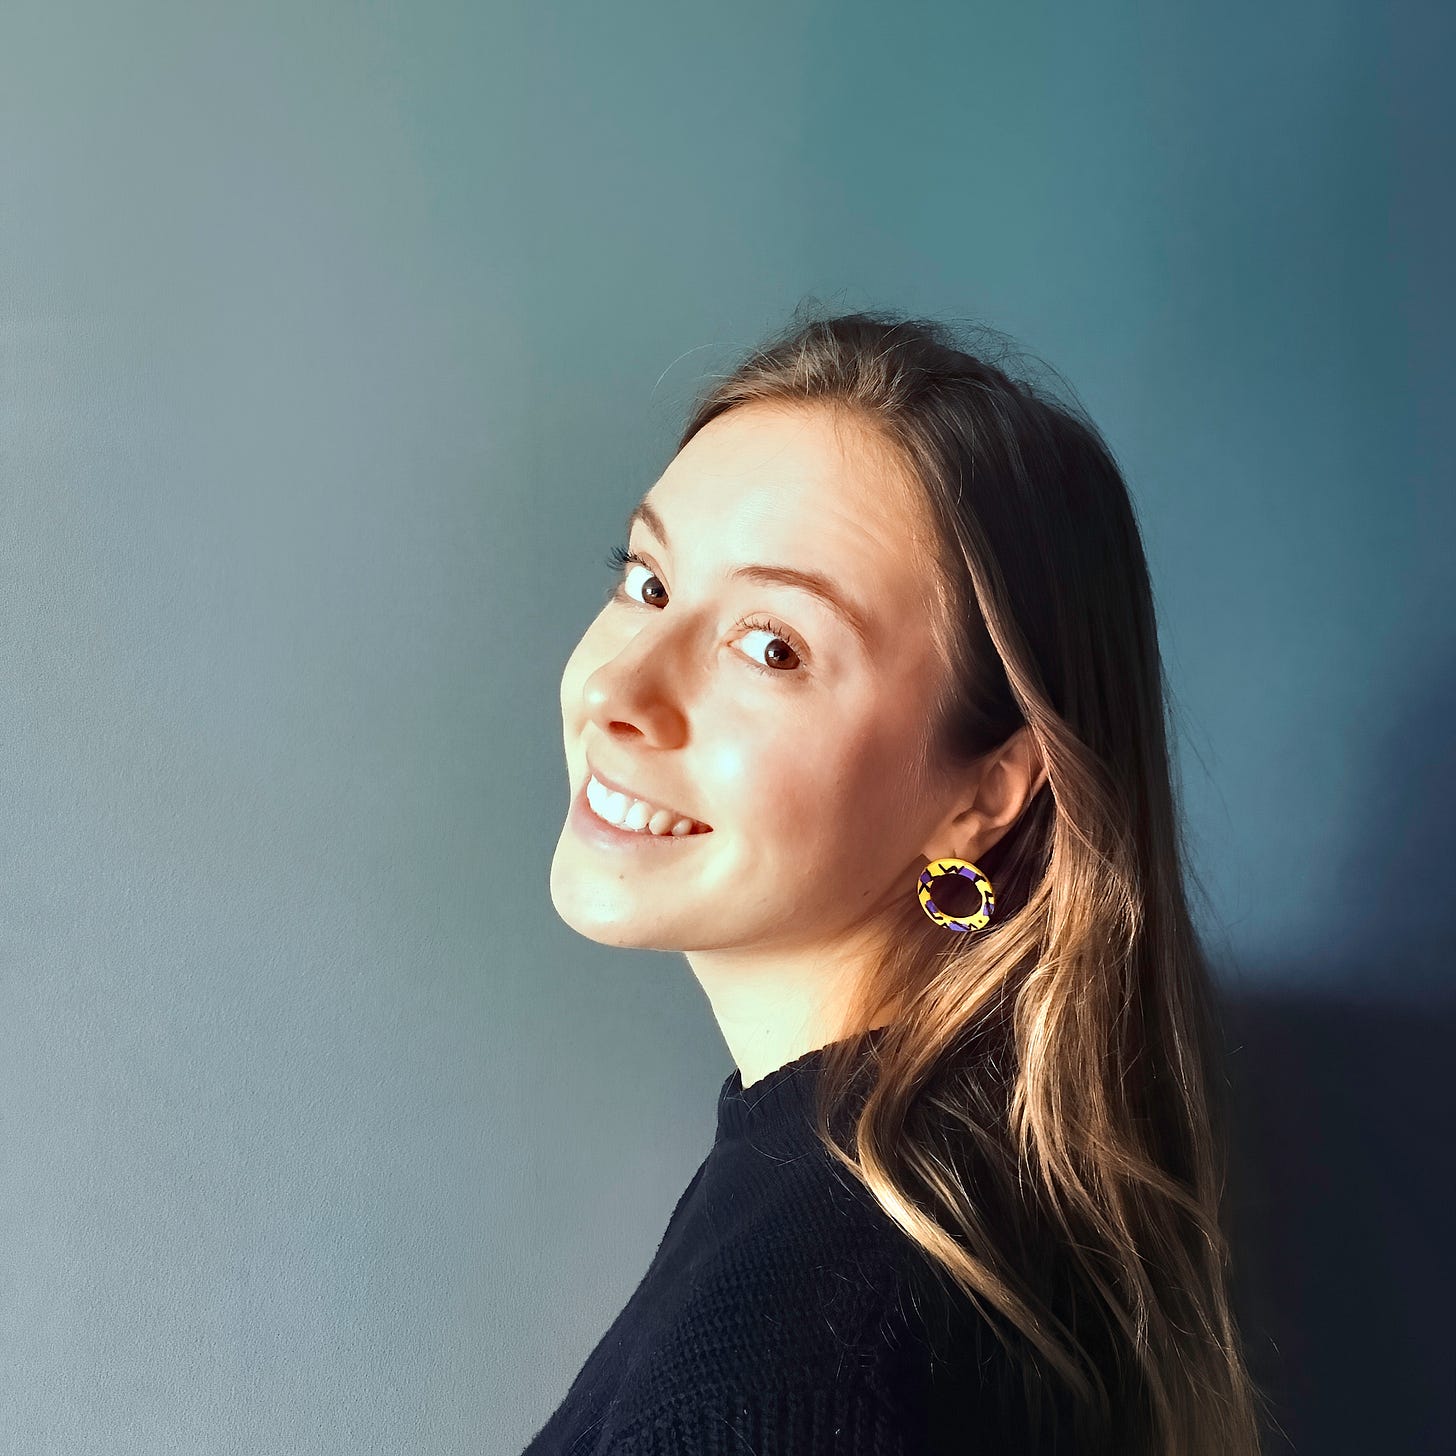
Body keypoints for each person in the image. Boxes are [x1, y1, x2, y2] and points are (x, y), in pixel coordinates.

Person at [527, 307, 1267, 1455]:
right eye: (648, 581)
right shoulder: (899, 1195)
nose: (621, 691)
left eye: (772, 646)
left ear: (984, 794)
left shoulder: (799, 1357)